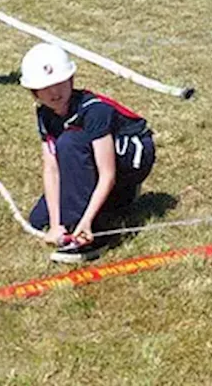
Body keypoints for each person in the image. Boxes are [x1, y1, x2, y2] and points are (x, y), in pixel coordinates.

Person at [21, 43, 156, 264]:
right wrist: (56, 224)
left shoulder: (95, 111)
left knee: (69, 142)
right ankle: (118, 199)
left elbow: (107, 173)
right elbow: (51, 169)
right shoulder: (44, 113)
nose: (54, 92)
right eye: (45, 87)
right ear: (34, 92)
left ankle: (94, 235)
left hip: (130, 156)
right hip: (86, 155)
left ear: (71, 80)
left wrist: (84, 222)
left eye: (59, 83)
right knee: (39, 219)